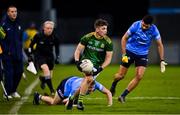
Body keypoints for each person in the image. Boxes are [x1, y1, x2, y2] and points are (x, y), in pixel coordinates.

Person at [109, 15, 167, 103]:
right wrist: (124, 54)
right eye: (143, 24)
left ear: (150, 25)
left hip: (142, 55)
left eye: (146, 26)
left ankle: (122, 96)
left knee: (139, 76)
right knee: (120, 76)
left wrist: (162, 60)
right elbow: (124, 38)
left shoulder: (154, 30)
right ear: (142, 21)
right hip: (129, 52)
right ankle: (114, 84)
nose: (144, 27)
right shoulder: (136, 25)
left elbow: (160, 44)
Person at [72, 18, 113, 110]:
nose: (105, 31)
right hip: (86, 63)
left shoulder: (108, 42)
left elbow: (108, 59)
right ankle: (80, 102)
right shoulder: (87, 37)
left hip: (97, 66)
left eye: (106, 29)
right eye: (103, 28)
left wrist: (101, 68)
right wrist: (77, 62)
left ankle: (72, 98)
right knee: (88, 79)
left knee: (87, 81)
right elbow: (78, 50)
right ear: (97, 29)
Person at [33, 75, 112, 108]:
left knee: (64, 101)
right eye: (89, 88)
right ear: (86, 86)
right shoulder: (78, 88)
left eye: (92, 88)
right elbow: (68, 105)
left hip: (73, 82)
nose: (91, 90)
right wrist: (77, 106)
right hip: (66, 84)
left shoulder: (95, 84)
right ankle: (38, 96)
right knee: (54, 103)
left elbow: (108, 92)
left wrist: (110, 104)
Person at [28, 20, 60, 95]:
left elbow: (57, 48)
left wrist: (57, 57)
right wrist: (30, 55)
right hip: (39, 56)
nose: (49, 30)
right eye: (48, 28)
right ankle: (52, 90)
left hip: (50, 56)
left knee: (49, 76)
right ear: (44, 28)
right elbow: (31, 46)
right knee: (46, 70)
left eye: (51, 28)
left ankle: (43, 80)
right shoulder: (38, 36)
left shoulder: (55, 37)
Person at [0, 6, 23, 98]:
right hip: (7, 55)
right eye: (12, 11)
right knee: (9, 74)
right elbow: (1, 40)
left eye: (15, 11)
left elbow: (20, 38)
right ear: (8, 13)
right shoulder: (3, 24)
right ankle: (7, 93)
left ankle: (13, 90)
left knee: (19, 72)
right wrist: (6, 51)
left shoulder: (18, 23)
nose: (14, 13)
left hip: (18, 54)